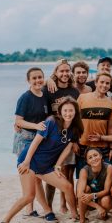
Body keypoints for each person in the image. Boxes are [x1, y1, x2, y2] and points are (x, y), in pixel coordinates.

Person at [0, 97, 83, 223]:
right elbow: (35, 142)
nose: (68, 113)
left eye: (71, 110)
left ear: (76, 112)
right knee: (29, 196)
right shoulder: (51, 122)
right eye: (65, 110)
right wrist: (26, 162)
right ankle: (5, 220)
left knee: (67, 186)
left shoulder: (75, 129)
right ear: (60, 111)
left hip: (46, 166)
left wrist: (58, 165)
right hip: (30, 161)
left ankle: (74, 214)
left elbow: (67, 148)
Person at [43, 59, 80, 213]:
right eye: (61, 71)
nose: (65, 74)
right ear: (56, 73)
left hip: (68, 137)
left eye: (67, 71)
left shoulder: (74, 91)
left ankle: (64, 205)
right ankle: (48, 207)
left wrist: (76, 140)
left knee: (67, 173)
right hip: (52, 137)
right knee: (51, 174)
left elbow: (77, 118)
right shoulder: (49, 89)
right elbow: (39, 101)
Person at [13, 67, 49, 217]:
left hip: (38, 140)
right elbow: (18, 121)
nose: (37, 80)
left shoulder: (44, 96)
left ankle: (30, 209)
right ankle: (29, 209)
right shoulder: (25, 98)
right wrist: (36, 126)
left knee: (36, 177)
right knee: (29, 175)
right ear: (28, 81)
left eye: (40, 77)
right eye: (34, 78)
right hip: (25, 139)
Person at [77, 72, 112, 176]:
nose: (104, 85)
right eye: (102, 82)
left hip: (103, 148)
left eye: (107, 83)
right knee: (83, 179)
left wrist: (111, 148)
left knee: (107, 178)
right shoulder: (82, 98)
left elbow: (110, 128)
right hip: (83, 145)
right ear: (95, 83)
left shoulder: (110, 103)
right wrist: (73, 142)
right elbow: (74, 121)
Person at [77, 148, 112, 223]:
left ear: (100, 156)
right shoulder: (84, 171)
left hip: (100, 197)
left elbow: (107, 190)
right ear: (87, 162)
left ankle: (104, 214)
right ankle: (82, 218)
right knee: (86, 189)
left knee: (106, 200)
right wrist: (97, 206)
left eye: (95, 155)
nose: (94, 158)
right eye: (90, 157)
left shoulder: (109, 167)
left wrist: (93, 196)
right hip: (88, 201)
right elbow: (79, 195)